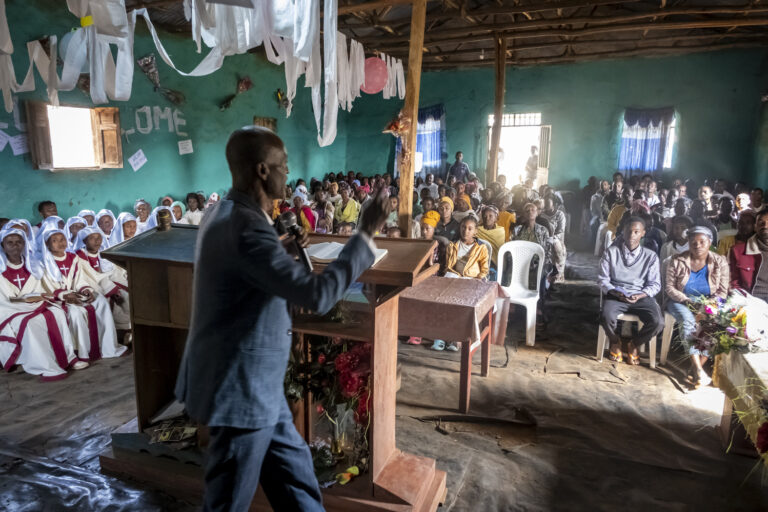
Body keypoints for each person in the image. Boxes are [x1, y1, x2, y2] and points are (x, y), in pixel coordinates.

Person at [173, 126, 389, 512]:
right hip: (239, 388)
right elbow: (317, 295)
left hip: (257, 385)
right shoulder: (249, 230)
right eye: (282, 166)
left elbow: (245, 265)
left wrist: (280, 243)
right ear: (261, 171)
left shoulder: (223, 213)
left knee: (297, 484)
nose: (287, 175)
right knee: (228, 502)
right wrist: (365, 235)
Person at [0, 229, 85, 379]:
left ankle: (69, 357)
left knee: (58, 313)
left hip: (34, 305)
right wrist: (25, 304)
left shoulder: (32, 264)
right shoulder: (1, 269)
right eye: (10, 243)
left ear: (24, 244)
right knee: (31, 323)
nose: (15, 246)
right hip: (10, 311)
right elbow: (3, 301)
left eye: (19, 242)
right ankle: (45, 364)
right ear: (3, 245)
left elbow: (39, 290)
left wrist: (37, 298)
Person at [38, 228, 127, 362]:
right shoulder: (43, 261)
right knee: (76, 313)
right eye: (54, 241)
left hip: (77, 293)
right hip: (58, 298)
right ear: (47, 244)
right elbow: (47, 285)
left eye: (62, 239)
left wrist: (86, 289)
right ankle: (84, 351)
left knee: (101, 301)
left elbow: (80, 279)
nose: (60, 243)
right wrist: (64, 295)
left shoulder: (72, 257)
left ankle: (109, 347)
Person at [665, 226, 729, 386]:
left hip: (708, 302)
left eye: (702, 241)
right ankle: (698, 368)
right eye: (693, 242)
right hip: (681, 301)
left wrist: (707, 305)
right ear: (688, 242)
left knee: (714, 325)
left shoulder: (720, 262)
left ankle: (696, 367)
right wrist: (688, 301)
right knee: (688, 321)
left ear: (710, 242)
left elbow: (722, 291)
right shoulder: (677, 260)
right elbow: (670, 288)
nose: (697, 245)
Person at [597, 218, 663, 365]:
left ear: (643, 234)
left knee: (658, 322)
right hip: (617, 295)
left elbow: (655, 284)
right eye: (628, 231)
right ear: (622, 232)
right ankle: (615, 341)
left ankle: (634, 344)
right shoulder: (611, 252)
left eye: (636, 232)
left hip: (640, 295)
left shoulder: (650, 256)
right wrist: (615, 292)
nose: (632, 235)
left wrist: (640, 295)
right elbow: (602, 280)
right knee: (606, 316)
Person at [74, 227, 131, 331]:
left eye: (99, 238)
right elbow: (83, 277)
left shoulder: (103, 253)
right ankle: (120, 330)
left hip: (108, 283)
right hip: (93, 287)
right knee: (110, 301)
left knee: (127, 296)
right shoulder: (78, 257)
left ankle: (128, 327)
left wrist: (114, 286)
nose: (97, 241)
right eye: (92, 238)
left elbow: (113, 271)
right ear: (84, 241)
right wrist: (111, 288)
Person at [729, 209, 768, 302]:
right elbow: (734, 283)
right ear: (755, 227)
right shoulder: (738, 251)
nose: (765, 226)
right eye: (761, 223)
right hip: (752, 300)